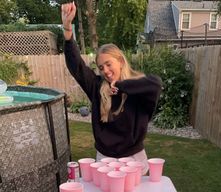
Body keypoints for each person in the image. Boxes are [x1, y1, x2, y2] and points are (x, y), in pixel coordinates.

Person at [61, 2, 162, 174]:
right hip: (104, 159)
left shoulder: (138, 88)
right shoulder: (97, 87)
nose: (105, 71)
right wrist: (67, 28)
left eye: (109, 64)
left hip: (134, 160)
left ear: (121, 62)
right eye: (101, 68)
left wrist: (121, 86)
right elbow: (76, 66)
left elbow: (155, 83)